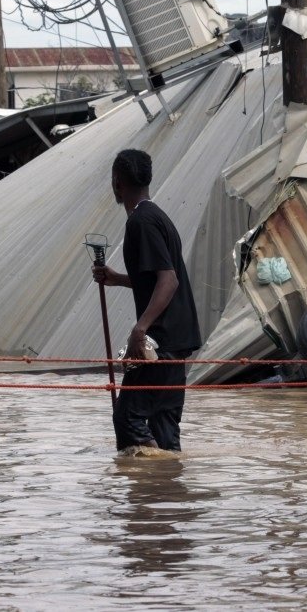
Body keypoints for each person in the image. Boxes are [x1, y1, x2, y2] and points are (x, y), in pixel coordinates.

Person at [92, 149, 201, 453]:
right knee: (164, 428)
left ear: (117, 183)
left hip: (159, 343)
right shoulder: (158, 217)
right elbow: (157, 280)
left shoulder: (141, 221)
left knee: (127, 418)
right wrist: (119, 279)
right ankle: (166, 491)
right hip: (176, 344)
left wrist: (140, 330)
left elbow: (169, 280)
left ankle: (150, 484)